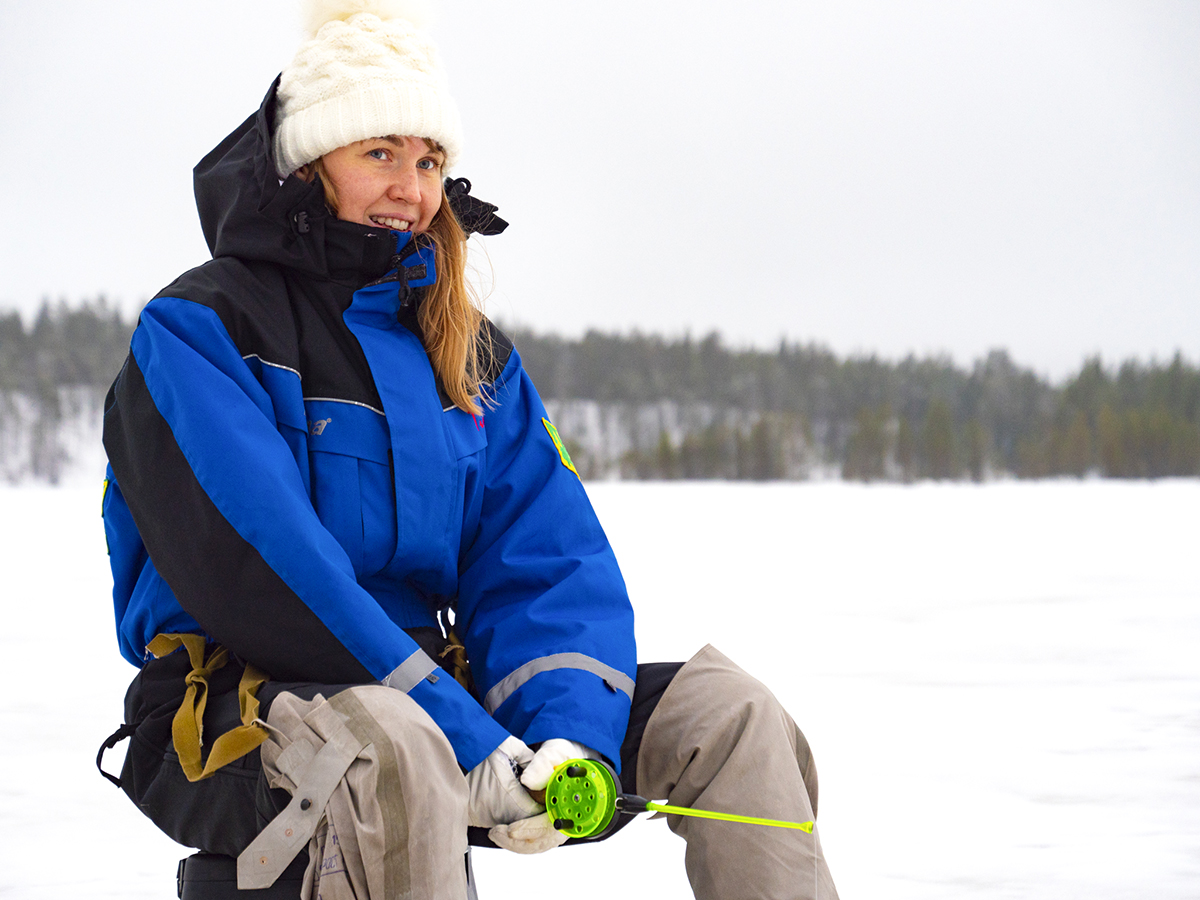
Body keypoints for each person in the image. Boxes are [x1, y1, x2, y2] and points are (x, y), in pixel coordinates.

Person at [99, 2, 839, 898]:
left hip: (428, 701)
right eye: (380, 152)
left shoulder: (466, 350)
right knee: (398, 748)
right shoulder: (200, 332)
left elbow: (544, 557)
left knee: (729, 716)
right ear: (307, 162)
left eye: (429, 160)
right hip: (235, 713)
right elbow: (271, 575)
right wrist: (469, 740)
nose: (411, 187)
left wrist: (562, 734)